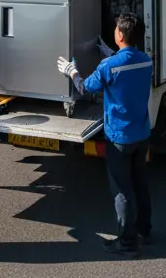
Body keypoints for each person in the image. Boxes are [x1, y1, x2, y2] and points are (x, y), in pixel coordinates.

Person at [57, 14, 153, 259]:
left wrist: (72, 71)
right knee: (140, 183)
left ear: (120, 35)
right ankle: (144, 230)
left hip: (119, 137)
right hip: (142, 134)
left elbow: (85, 87)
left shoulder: (108, 67)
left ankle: (127, 243)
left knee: (121, 190)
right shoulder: (146, 61)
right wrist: (111, 53)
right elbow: (126, 67)